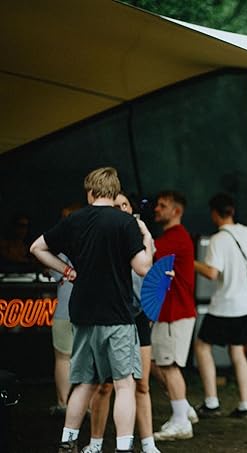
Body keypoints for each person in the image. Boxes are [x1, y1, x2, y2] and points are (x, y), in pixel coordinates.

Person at [30, 167, 154, 453]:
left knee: (84, 383)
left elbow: (37, 248)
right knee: (123, 384)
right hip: (117, 315)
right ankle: (123, 447)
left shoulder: (74, 220)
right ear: (114, 191)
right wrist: (147, 240)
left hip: (82, 313)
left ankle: (67, 442)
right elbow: (143, 268)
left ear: (90, 191)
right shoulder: (125, 223)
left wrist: (67, 271)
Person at [83, 192, 160, 453]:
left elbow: (150, 277)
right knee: (104, 385)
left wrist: (159, 285)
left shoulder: (142, 237)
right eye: (115, 206)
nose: (121, 209)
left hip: (137, 317)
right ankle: (95, 443)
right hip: (111, 315)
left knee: (142, 384)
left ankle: (148, 444)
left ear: (131, 209)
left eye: (124, 205)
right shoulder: (100, 238)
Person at [193, 193, 247, 419]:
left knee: (202, 346)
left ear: (214, 214)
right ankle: (244, 405)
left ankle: (211, 402)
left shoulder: (218, 239)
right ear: (232, 211)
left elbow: (212, 273)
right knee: (238, 351)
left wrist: (190, 262)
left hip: (226, 305)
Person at [150, 190, 198, 442]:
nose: (156, 209)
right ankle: (183, 409)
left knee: (169, 366)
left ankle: (181, 421)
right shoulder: (172, 237)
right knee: (157, 363)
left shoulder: (176, 237)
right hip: (168, 312)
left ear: (176, 211)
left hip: (175, 313)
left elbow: (146, 254)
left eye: (162, 205)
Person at [47, 203, 82, 417]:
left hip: (65, 311)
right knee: (88, 360)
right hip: (89, 311)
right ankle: (87, 406)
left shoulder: (62, 248)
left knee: (62, 358)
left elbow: (53, 272)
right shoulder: (93, 244)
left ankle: (63, 404)